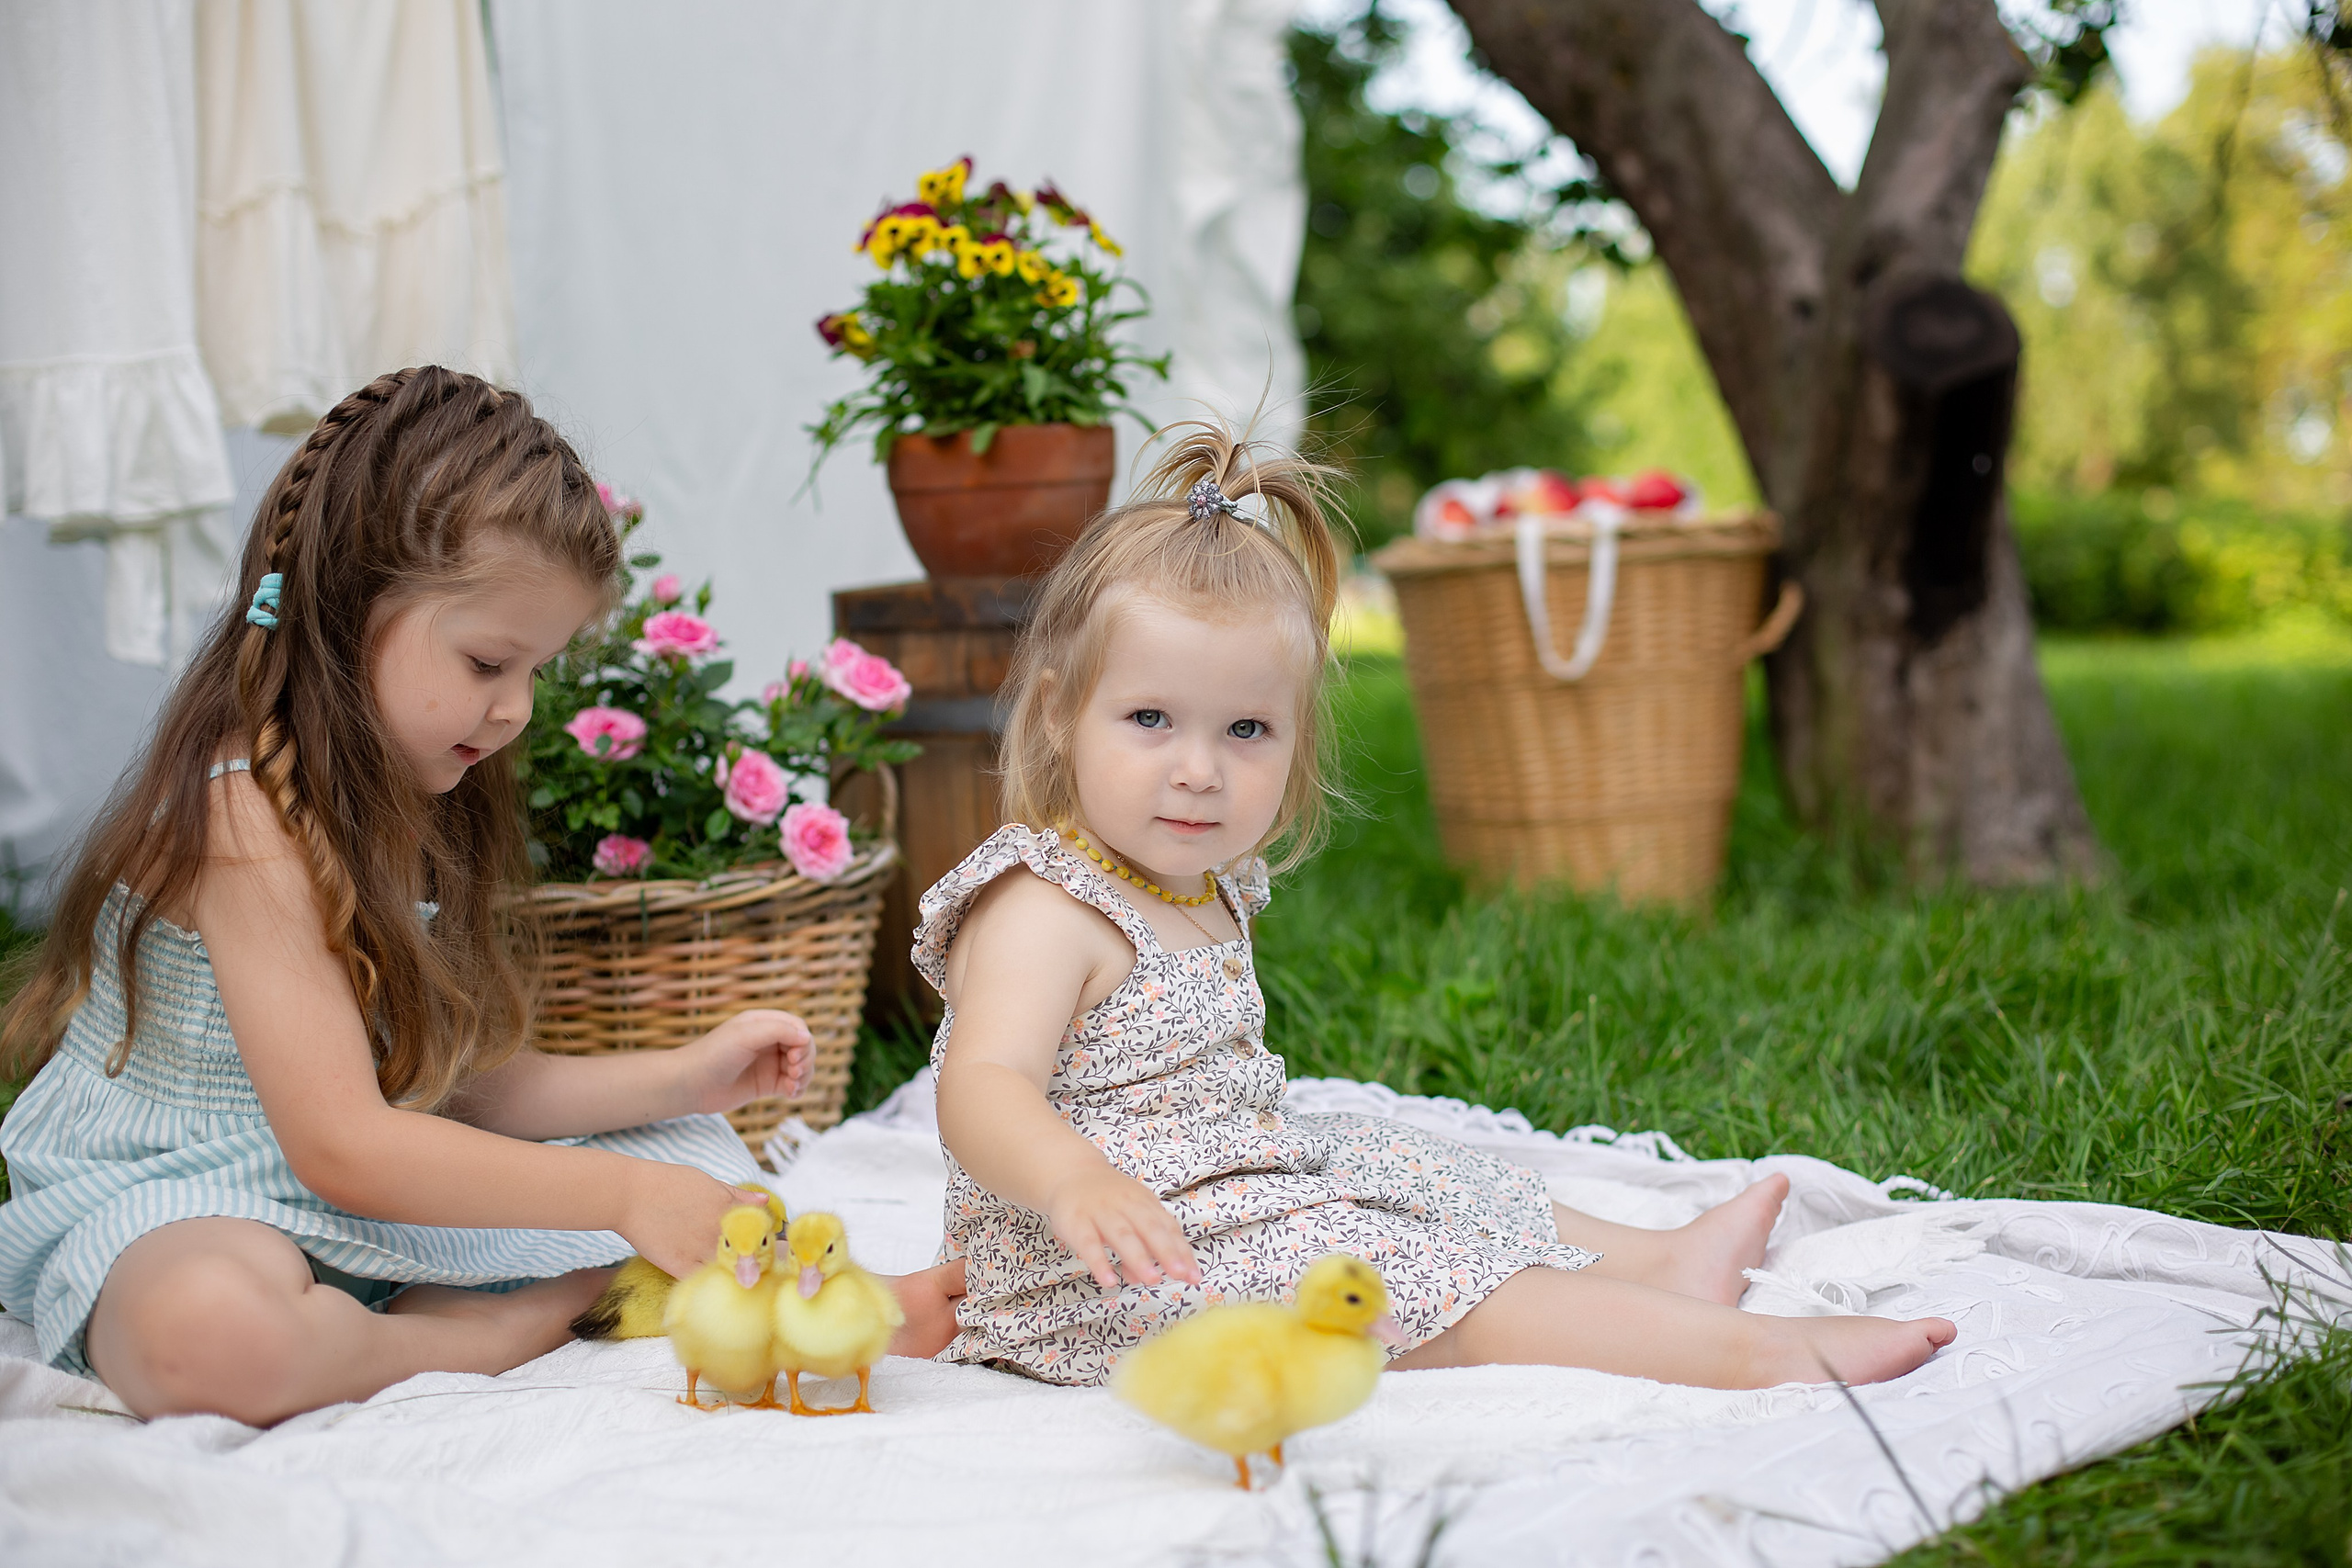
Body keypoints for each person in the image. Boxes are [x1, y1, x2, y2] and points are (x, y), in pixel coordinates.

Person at [0, 367, 964, 1425]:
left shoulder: (400, 797)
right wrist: (622, 1199)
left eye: (536, 671)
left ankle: (817, 1302)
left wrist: (680, 1082)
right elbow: (342, 1143)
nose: (515, 710)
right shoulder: (247, 819)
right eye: (488, 662)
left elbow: (445, 1086)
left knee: (696, 1174)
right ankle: (522, 1318)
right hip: (191, 1196)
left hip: (367, 1196)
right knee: (209, 1338)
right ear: (347, 608)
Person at [919, 419, 1957, 1390]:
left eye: (1245, 730)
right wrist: (1073, 1181)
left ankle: (1657, 1262)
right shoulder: (1044, 907)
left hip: (1229, 1184)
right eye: (1150, 718)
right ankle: (1748, 1353)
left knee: (1403, 1162)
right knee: (1380, 1275)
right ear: (1057, 714)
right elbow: (981, 1085)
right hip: (1098, 1267)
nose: (1200, 769)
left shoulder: (1198, 880)